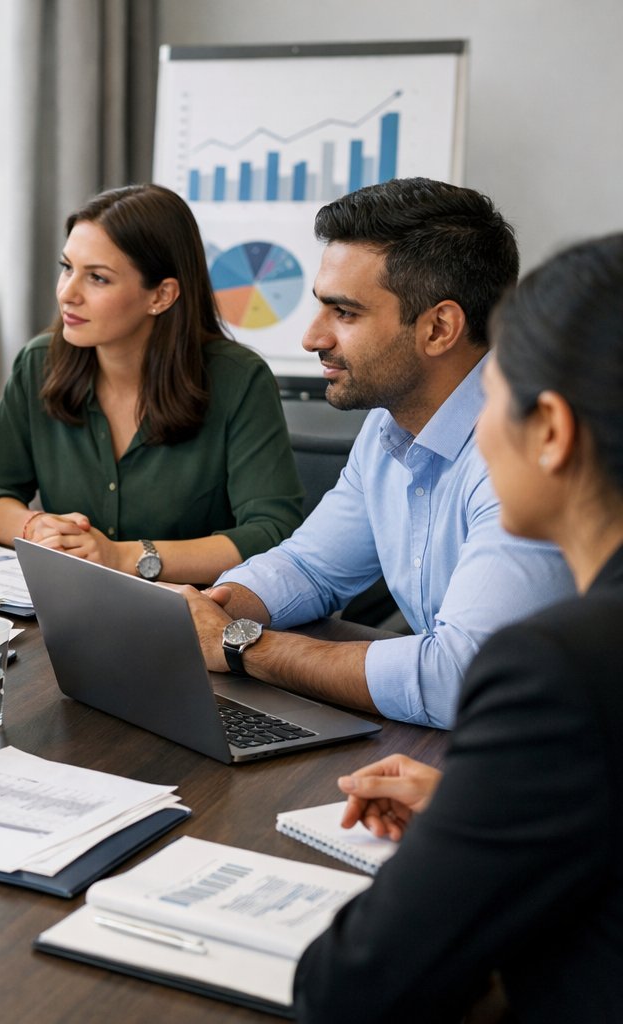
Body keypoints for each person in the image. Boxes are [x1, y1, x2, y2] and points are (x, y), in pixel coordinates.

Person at [293, 232, 623, 1021]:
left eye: (494, 396)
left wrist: (465, 841)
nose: (476, 429)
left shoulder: (559, 670)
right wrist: (494, 803)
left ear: (549, 429)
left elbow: (354, 989)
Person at [180, 178, 572, 728]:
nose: (312, 338)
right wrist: (200, 616)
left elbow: (459, 677)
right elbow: (311, 567)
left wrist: (240, 646)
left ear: (439, 328)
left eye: (344, 313)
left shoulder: (530, 452)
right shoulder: (389, 423)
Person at [0, 184, 303, 584]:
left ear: (161, 295)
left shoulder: (239, 380)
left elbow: (273, 533)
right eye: (67, 267)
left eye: (98, 278)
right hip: (70, 604)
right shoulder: (39, 363)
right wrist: (37, 528)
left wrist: (124, 556)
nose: (67, 293)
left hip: (196, 614)